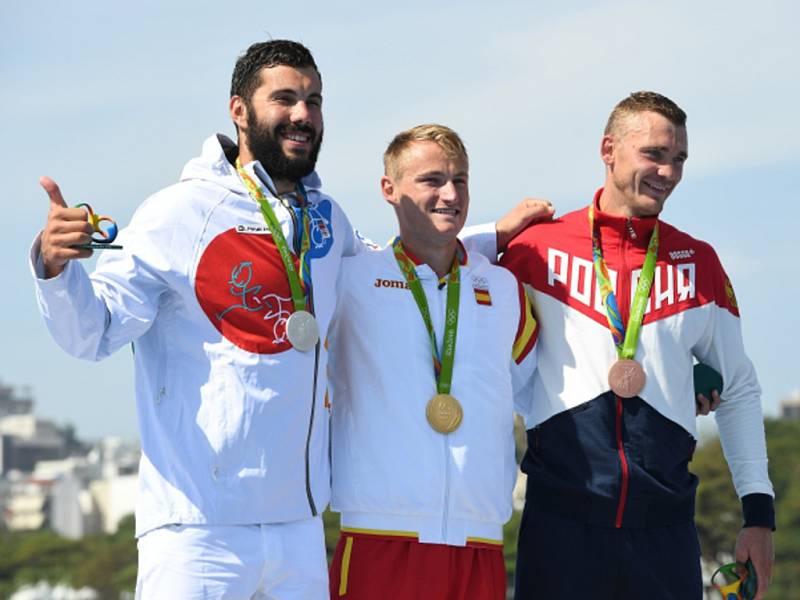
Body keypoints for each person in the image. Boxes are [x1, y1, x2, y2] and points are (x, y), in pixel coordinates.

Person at [31, 40, 548, 598]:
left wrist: (490, 237)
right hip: (198, 531)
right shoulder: (178, 212)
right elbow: (95, 331)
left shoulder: (327, 220)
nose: (303, 114)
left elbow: (401, 267)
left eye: (314, 100)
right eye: (285, 98)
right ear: (239, 110)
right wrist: (55, 268)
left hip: (299, 530)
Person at [501, 91, 775, 600]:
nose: (667, 171)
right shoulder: (534, 249)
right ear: (609, 149)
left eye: (679, 159)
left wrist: (758, 515)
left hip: (665, 532)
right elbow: (484, 362)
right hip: (558, 527)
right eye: (654, 154)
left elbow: (738, 389)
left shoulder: (700, 262)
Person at [326, 124, 542, 600]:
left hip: (479, 542)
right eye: (432, 180)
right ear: (389, 189)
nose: (450, 194)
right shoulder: (352, 281)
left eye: (460, 180)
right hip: (379, 540)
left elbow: (536, 389)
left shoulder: (503, 289)